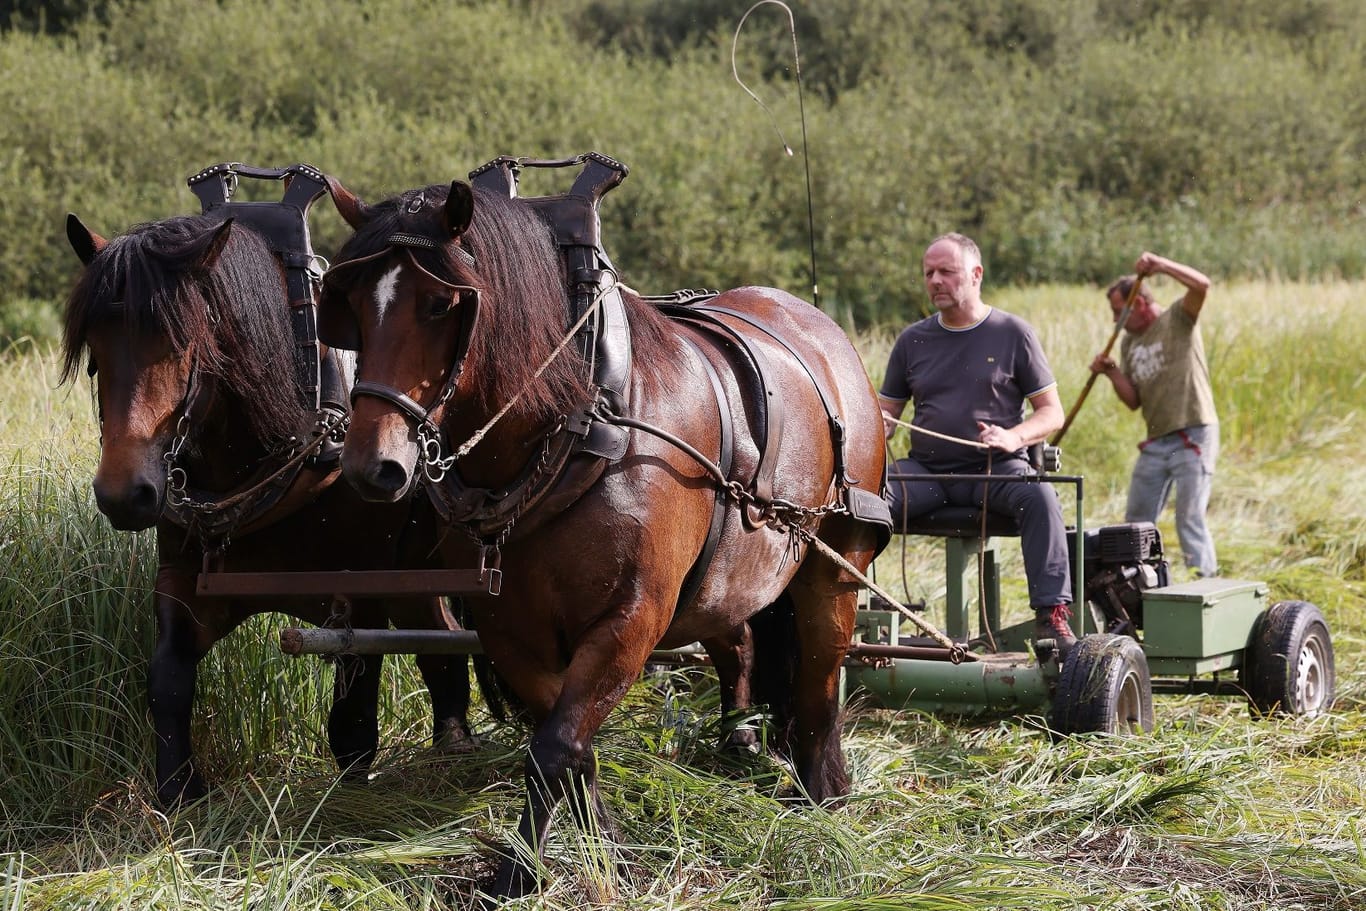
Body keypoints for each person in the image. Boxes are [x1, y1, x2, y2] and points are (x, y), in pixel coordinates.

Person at [879, 233, 1074, 655]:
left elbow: (1051, 413)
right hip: (927, 473)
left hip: (994, 472)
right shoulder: (912, 340)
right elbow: (886, 414)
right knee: (863, 500)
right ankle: (859, 607)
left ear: (975, 274)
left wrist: (1013, 437)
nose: (935, 281)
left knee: (1041, 499)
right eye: (928, 272)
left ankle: (1052, 617)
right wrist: (876, 424)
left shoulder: (1013, 333)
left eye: (946, 271)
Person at [1090, 252, 1218, 578]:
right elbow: (1134, 400)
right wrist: (1112, 373)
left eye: (1120, 312)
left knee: (1189, 517)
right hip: (1157, 441)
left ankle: (1204, 584)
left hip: (1193, 433)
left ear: (1142, 303)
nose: (1115, 321)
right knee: (1136, 521)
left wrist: (1161, 265)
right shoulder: (1130, 343)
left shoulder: (1177, 318)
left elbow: (1202, 285)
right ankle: (1139, 584)